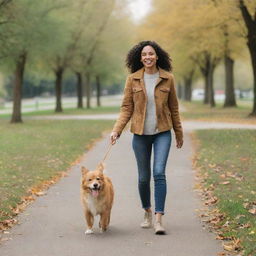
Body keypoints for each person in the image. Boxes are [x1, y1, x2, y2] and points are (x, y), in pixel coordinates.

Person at [110, 40, 183, 235]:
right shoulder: (133, 79)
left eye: (151, 54)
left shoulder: (168, 78)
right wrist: (116, 130)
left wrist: (179, 133)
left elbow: (174, 108)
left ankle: (159, 219)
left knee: (159, 173)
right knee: (143, 178)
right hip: (140, 135)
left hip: (162, 133)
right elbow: (127, 108)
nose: (147, 57)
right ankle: (147, 211)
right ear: (140, 58)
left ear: (157, 56)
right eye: (144, 55)